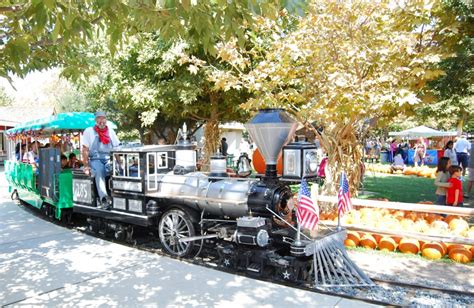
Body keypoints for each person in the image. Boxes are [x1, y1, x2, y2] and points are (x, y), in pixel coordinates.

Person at [82, 111, 120, 209]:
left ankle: (117, 197)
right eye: (99, 118)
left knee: (117, 171)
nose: (101, 121)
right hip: (95, 159)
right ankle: (104, 199)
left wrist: (120, 164)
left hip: (108, 158)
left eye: (103, 118)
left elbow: (116, 148)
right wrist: (86, 166)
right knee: (99, 172)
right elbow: (85, 149)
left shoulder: (111, 131)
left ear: (106, 120)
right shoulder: (89, 131)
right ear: (96, 120)